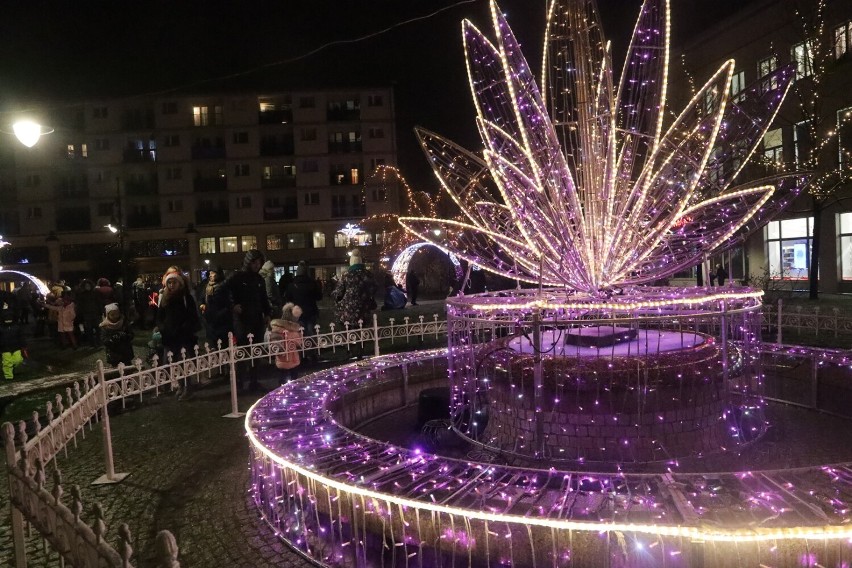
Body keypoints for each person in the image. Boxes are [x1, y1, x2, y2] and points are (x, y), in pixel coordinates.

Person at [221, 249, 272, 391]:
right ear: (248, 262)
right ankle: (239, 382)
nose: (257, 265)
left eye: (259, 263)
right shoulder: (237, 277)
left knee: (256, 351)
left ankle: (254, 380)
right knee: (243, 351)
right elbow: (221, 291)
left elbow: (263, 298)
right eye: (254, 262)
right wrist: (232, 306)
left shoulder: (259, 279)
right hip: (242, 320)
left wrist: (267, 313)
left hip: (257, 319)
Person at [156, 269, 201, 398]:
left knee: (184, 362)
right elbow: (159, 316)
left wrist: (183, 328)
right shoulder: (165, 297)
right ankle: (181, 385)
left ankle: (188, 386)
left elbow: (192, 317)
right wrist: (163, 327)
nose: (171, 285)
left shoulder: (186, 298)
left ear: (179, 283)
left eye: (173, 282)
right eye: (169, 283)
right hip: (169, 336)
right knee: (173, 363)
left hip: (183, 336)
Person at [284, 261, 322, 363]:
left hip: (297, 314)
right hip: (310, 312)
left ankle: (301, 355)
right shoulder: (312, 283)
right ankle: (312, 354)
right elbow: (319, 296)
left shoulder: (292, 285)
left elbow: (288, 299)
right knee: (311, 334)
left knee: (299, 335)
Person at [333, 249, 378, 331]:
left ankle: (352, 341)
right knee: (363, 328)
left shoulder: (346, 275)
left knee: (350, 329)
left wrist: (337, 298)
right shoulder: (367, 274)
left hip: (348, 309)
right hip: (364, 307)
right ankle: (363, 341)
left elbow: (338, 292)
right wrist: (367, 295)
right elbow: (374, 287)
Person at [269, 303, 303, 385]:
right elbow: (299, 342)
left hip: (288, 360)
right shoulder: (292, 330)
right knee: (289, 381)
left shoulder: (278, 328)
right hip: (288, 359)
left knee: (286, 380)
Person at [200, 267, 232, 348]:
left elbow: (228, 302)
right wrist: (202, 305)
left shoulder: (224, 286)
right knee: (212, 343)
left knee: (223, 344)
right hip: (210, 319)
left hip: (222, 320)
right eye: (210, 273)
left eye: (213, 273)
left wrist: (220, 313)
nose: (211, 275)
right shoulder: (206, 286)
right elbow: (201, 299)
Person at [99, 302, 135, 367]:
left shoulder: (124, 322)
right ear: (108, 315)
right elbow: (104, 340)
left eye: (116, 314)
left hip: (126, 352)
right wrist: (112, 339)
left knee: (128, 370)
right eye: (112, 315)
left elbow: (131, 334)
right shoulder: (105, 326)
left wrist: (125, 336)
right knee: (117, 372)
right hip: (114, 355)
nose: (115, 316)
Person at [76, 279, 103, 347]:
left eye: (88, 285)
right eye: (86, 286)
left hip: (96, 314)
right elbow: (80, 305)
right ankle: (92, 343)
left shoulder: (95, 293)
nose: (87, 287)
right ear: (84, 286)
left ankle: (98, 342)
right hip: (87, 315)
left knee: (98, 329)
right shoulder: (82, 295)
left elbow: (99, 302)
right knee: (89, 330)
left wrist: (101, 311)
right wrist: (81, 314)